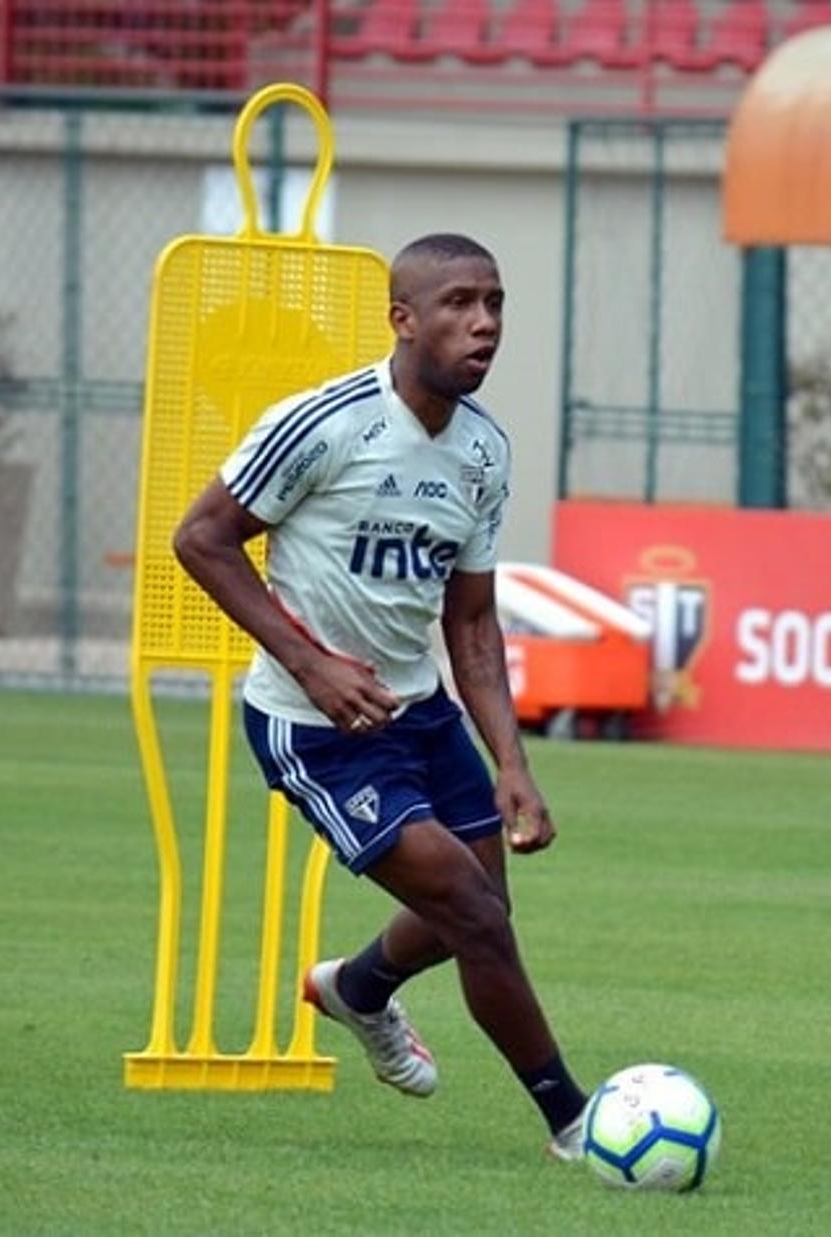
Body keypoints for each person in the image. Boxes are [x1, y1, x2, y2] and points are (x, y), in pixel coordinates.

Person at [173, 232, 589, 1157]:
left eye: (495, 303)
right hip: (311, 725)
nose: (483, 324)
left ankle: (358, 988)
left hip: (420, 711)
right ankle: (576, 1122)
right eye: (459, 304)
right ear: (403, 319)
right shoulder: (323, 424)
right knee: (474, 914)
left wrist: (512, 765)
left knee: (481, 913)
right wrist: (313, 661)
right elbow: (201, 537)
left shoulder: (483, 452)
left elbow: (472, 623)